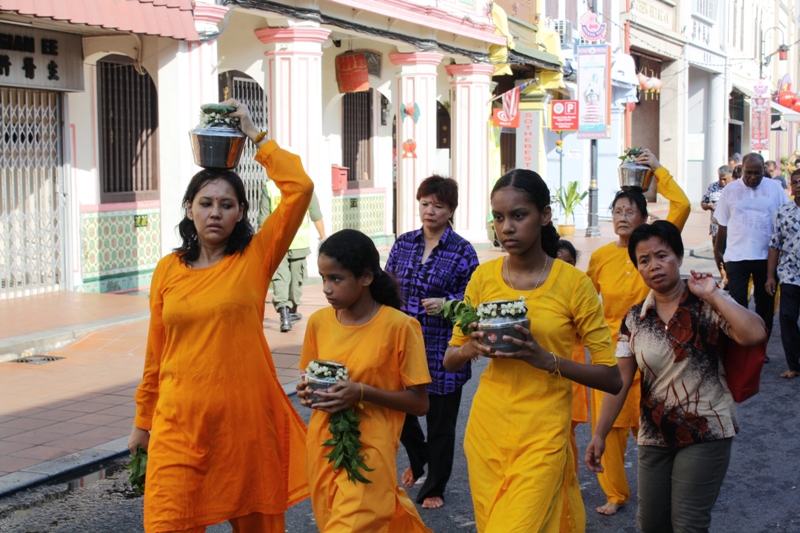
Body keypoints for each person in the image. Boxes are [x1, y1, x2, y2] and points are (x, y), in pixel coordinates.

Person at [128, 101, 311, 532]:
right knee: (167, 522)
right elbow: (157, 352)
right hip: (179, 425)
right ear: (189, 209)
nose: (215, 212)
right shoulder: (167, 270)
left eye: (227, 204)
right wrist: (142, 421)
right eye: (206, 203)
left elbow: (299, 188)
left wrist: (256, 137)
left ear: (241, 213)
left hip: (244, 426)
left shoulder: (255, 258)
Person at [442, 169, 622, 532]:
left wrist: (547, 360)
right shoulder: (483, 278)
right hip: (487, 432)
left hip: (544, 432)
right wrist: (471, 348)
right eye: (498, 217)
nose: (506, 227)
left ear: (544, 215)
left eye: (518, 215)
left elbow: (612, 377)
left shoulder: (573, 284)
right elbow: (450, 358)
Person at [587, 220, 767, 533]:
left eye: (662, 255)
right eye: (644, 261)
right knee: (651, 525)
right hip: (655, 433)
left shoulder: (708, 302)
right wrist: (600, 435)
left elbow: (755, 333)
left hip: (706, 430)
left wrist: (713, 296)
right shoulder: (635, 318)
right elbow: (619, 382)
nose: (653, 265)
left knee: (688, 525)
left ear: (679, 258)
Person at [296, 229, 432, 532]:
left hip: (371, 453)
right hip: (322, 447)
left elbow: (420, 403)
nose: (327, 289)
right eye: (323, 278)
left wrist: (362, 392)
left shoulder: (400, 327)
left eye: (336, 278)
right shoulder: (318, 323)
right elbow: (309, 377)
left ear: (366, 277)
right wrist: (306, 392)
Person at [585, 148, 690, 516]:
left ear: (645, 218)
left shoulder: (652, 250)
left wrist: (659, 169)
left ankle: (666, 488)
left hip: (655, 352)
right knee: (608, 426)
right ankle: (615, 492)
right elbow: (582, 300)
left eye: (631, 211)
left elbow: (682, 205)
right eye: (617, 211)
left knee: (656, 422)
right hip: (612, 353)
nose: (623, 217)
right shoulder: (599, 257)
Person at [385, 175, 479, 510]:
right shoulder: (403, 243)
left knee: (441, 423)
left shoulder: (463, 251)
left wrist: (448, 304)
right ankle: (420, 456)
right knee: (399, 410)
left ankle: (434, 486)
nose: (430, 211)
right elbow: (386, 288)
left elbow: (474, 302)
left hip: (444, 348)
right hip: (403, 345)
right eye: (425, 204)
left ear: (450, 209)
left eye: (438, 205)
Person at [714, 153, 789, 349]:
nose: (753, 177)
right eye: (749, 173)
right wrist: (717, 252)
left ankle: (760, 348)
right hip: (737, 257)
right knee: (737, 305)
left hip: (767, 257)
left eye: (758, 173)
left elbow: (785, 220)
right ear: (742, 170)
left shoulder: (775, 189)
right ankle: (740, 348)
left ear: (764, 170)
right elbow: (722, 224)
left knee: (764, 305)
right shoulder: (730, 190)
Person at [258, 184, 326, 332]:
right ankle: (292, 312)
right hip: (299, 243)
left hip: (277, 242)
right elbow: (316, 215)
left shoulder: (270, 187)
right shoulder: (305, 186)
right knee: (297, 278)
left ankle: (284, 314)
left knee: (280, 278)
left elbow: (263, 220)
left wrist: (261, 245)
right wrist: (323, 237)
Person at [557, 240, 590, 476]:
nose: (564, 268)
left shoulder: (579, 287)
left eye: (569, 263)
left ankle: (568, 479)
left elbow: (587, 329)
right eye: (559, 263)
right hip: (544, 371)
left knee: (567, 431)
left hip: (572, 370)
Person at [767, 169, 800, 378]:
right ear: (791, 186)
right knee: (787, 318)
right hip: (789, 274)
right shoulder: (783, 211)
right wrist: (771, 276)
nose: (798, 184)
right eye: (795, 181)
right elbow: (775, 245)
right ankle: (794, 365)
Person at [701, 165, 733, 287]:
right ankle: (723, 277)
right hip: (716, 228)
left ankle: (731, 277)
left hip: (731, 229)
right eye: (721, 178)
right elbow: (703, 203)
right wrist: (708, 206)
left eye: (725, 179)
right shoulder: (713, 187)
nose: (722, 181)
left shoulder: (735, 187)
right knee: (718, 252)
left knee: (729, 254)